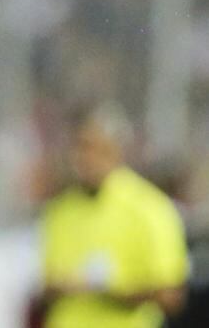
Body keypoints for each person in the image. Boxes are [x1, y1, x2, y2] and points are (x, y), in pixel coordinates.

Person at [37, 102, 190, 328]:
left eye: (94, 148)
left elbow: (171, 295)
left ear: (116, 150)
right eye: (79, 148)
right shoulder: (59, 210)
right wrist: (59, 288)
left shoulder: (149, 207)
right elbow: (47, 286)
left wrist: (110, 291)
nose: (84, 159)